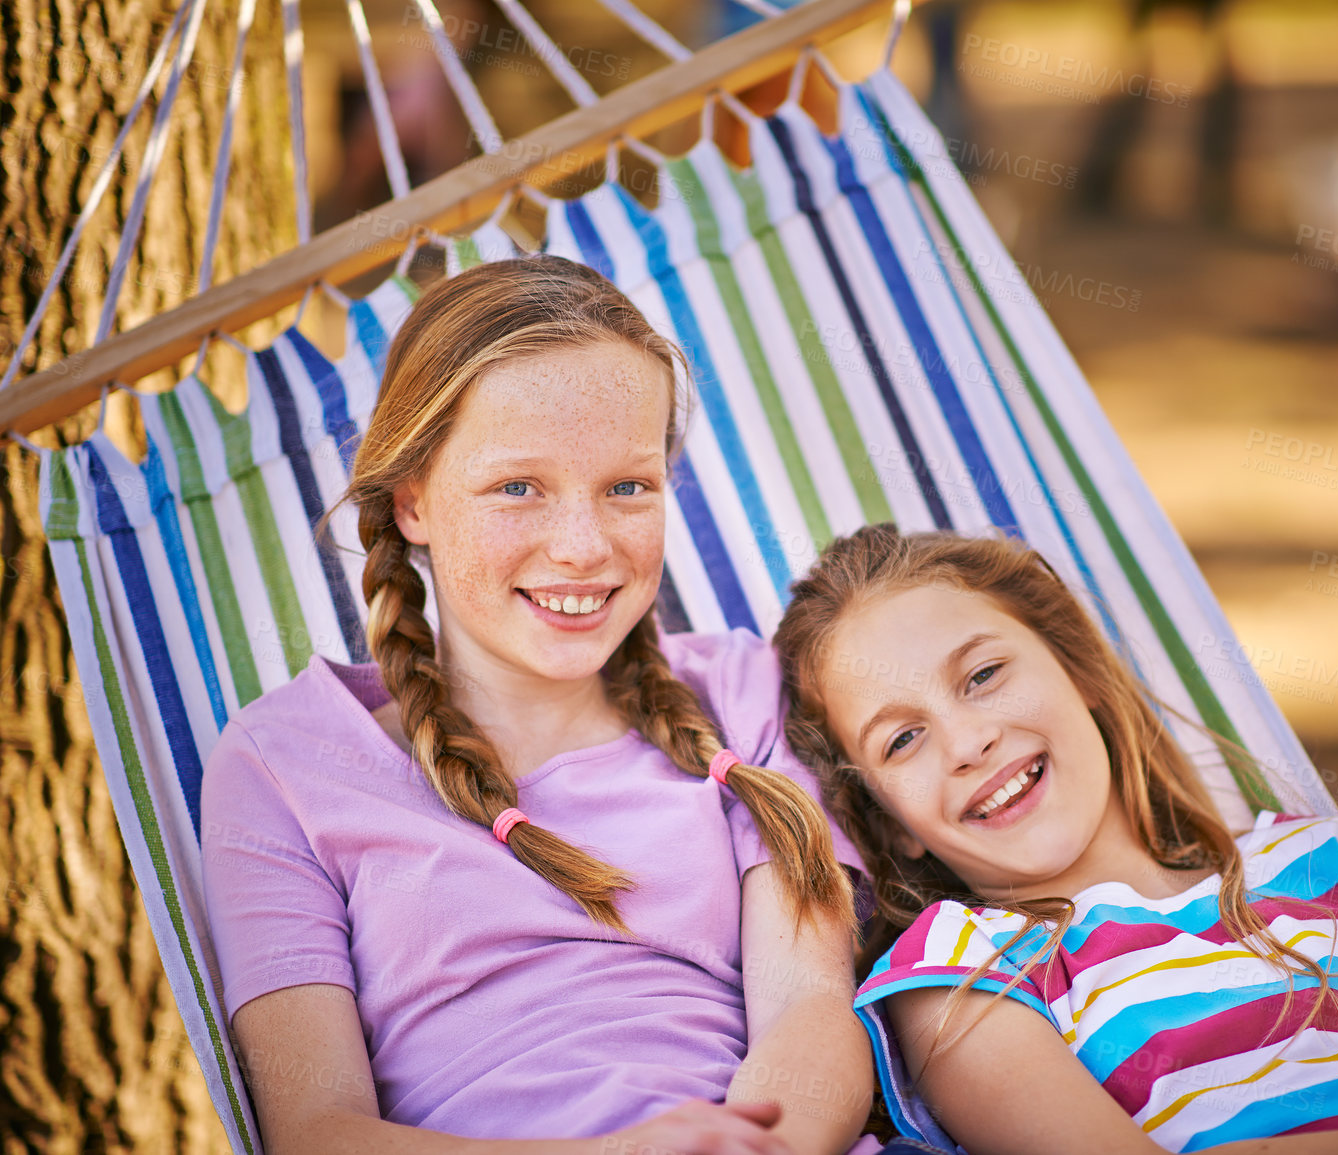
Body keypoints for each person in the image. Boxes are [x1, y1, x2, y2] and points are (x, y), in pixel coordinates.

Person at [199, 255, 880, 1155]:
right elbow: (317, 1130)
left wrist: (761, 1147)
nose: (582, 547)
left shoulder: (740, 691)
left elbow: (808, 1007)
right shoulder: (282, 764)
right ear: (412, 503)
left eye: (627, 486)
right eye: (517, 487)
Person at [772, 525, 1338, 1155]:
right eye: (902, 739)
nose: (968, 741)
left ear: (1080, 670)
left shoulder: (1330, 864)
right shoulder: (961, 972)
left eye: (984, 674)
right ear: (891, 823)